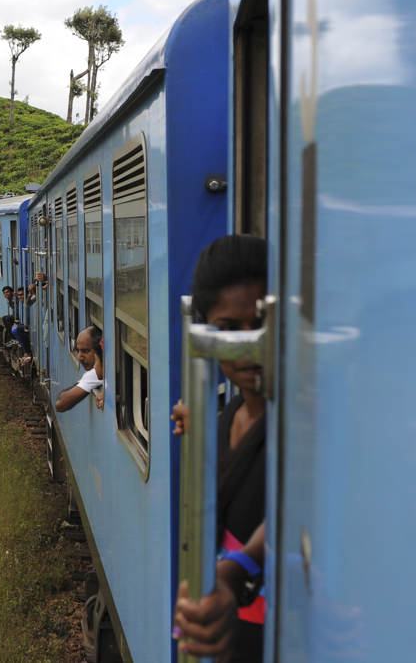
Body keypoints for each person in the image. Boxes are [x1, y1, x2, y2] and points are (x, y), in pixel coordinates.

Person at [170, 234, 268, 663]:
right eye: (228, 332)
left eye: (259, 327)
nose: (248, 347)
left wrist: (234, 573)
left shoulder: (306, 423)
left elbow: (293, 509)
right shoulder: (226, 420)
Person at [55, 325, 104, 412]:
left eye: (85, 351)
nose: (79, 357)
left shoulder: (97, 374)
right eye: (78, 351)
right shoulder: (94, 374)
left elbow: (61, 404)